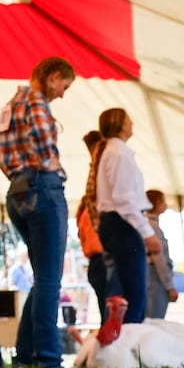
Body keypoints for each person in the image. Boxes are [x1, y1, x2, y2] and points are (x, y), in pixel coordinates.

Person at [0, 57, 74, 368]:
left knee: (42, 278)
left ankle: (25, 355)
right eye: (63, 86)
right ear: (54, 76)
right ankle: (49, 359)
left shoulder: (11, 104)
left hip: (18, 191)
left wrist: (20, 175)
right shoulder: (37, 101)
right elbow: (42, 138)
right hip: (43, 189)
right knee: (51, 279)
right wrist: (50, 164)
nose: (62, 94)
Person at [93, 108, 158, 342]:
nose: (132, 123)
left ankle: (118, 340)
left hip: (112, 223)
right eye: (129, 119)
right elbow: (124, 199)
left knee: (120, 286)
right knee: (134, 289)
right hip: (121, 223)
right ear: (120, 124)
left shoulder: (111, 151)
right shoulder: (119, 153)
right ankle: (129, 343)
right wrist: (147, 231)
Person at [76, 129, 119, 324]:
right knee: (113, 312)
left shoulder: (83, 210)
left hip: (95, 262)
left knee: (107, 312)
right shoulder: (95, 204)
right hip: (103, 258)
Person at [144, 189, 178, 321]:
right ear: (156, 203)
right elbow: (159, 259)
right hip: (155, 278)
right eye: (163, 201)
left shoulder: (149, 225)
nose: (166, 205)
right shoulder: (151, 227)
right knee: (155, 320)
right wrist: (169, 286)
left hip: (152, 277)